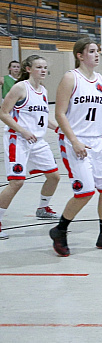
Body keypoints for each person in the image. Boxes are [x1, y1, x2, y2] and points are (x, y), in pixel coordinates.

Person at [48, 38, 102, 257]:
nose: (97, 54)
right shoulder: (70, 78)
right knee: (85, 192)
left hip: (98, 142)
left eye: (98, 51)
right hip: (76, 141)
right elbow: (59, 113)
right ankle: (60, 230)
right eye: (92, 51)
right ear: (80, 56)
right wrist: (73, 139)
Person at [0, 56, 61, 240]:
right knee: (17, 182)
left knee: (54, 176)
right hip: (17, 138)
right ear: (28, 69)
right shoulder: (20, 88)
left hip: (37, 141)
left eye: (45, 67)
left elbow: (41, 118)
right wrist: (23, 131)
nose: (43, 70)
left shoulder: (43, 90)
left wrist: (59, 128)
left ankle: (43, 208)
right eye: (39, 67)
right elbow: (3, 113)